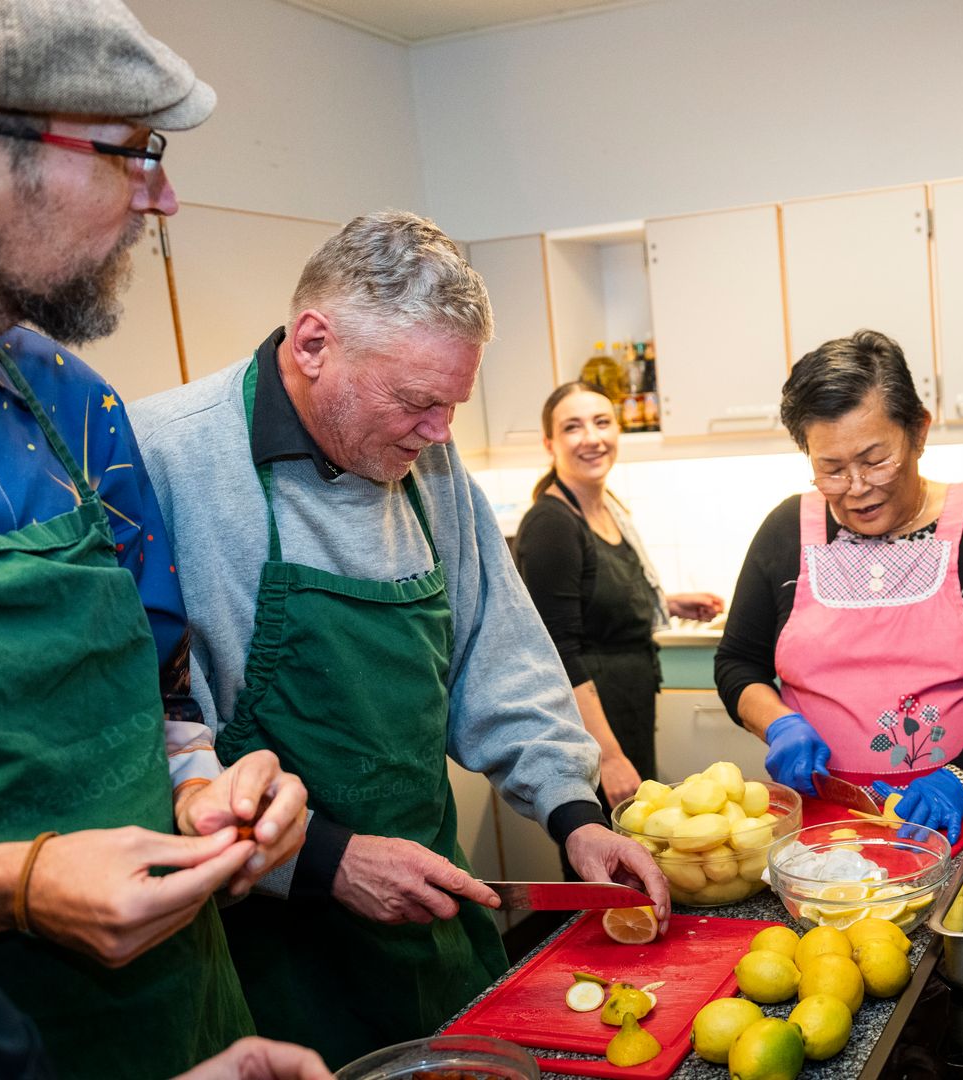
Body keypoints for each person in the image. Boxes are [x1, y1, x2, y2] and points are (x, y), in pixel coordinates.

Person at [0, 2, 313, 1073]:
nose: (163, 199)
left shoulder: (75, 403)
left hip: (183, 1026)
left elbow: (160, 698)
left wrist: (201, 787)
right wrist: (7, 891)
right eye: (133, 155)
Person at [132, 210, 671, 1065]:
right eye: (419, 401)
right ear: (314, 344)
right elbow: (145, 738)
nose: (440, 433)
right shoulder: (160, 457)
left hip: (424, 914)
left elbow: (501, 656)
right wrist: (322, 859)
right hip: (258, 950)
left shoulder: (431, 462)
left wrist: (573, 815)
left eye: (454, 404)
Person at [714, 330, 963, 843]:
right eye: (830, 469)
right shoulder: (785, 530)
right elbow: (737, 663)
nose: (857, 488)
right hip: (826, 821)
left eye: (875, 459)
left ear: (918, 432)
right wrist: (776, 724)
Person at [514, 381, 724, 810]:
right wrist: (607, 757)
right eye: (573, 427)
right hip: (590, 734)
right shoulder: (552, 524)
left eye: (602, 422)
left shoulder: (607, 506)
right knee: (603, 863)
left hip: (626, 712)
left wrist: (665, 604)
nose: (592, 438)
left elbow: (592, 602)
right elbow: (560, 648)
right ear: (549, 443)